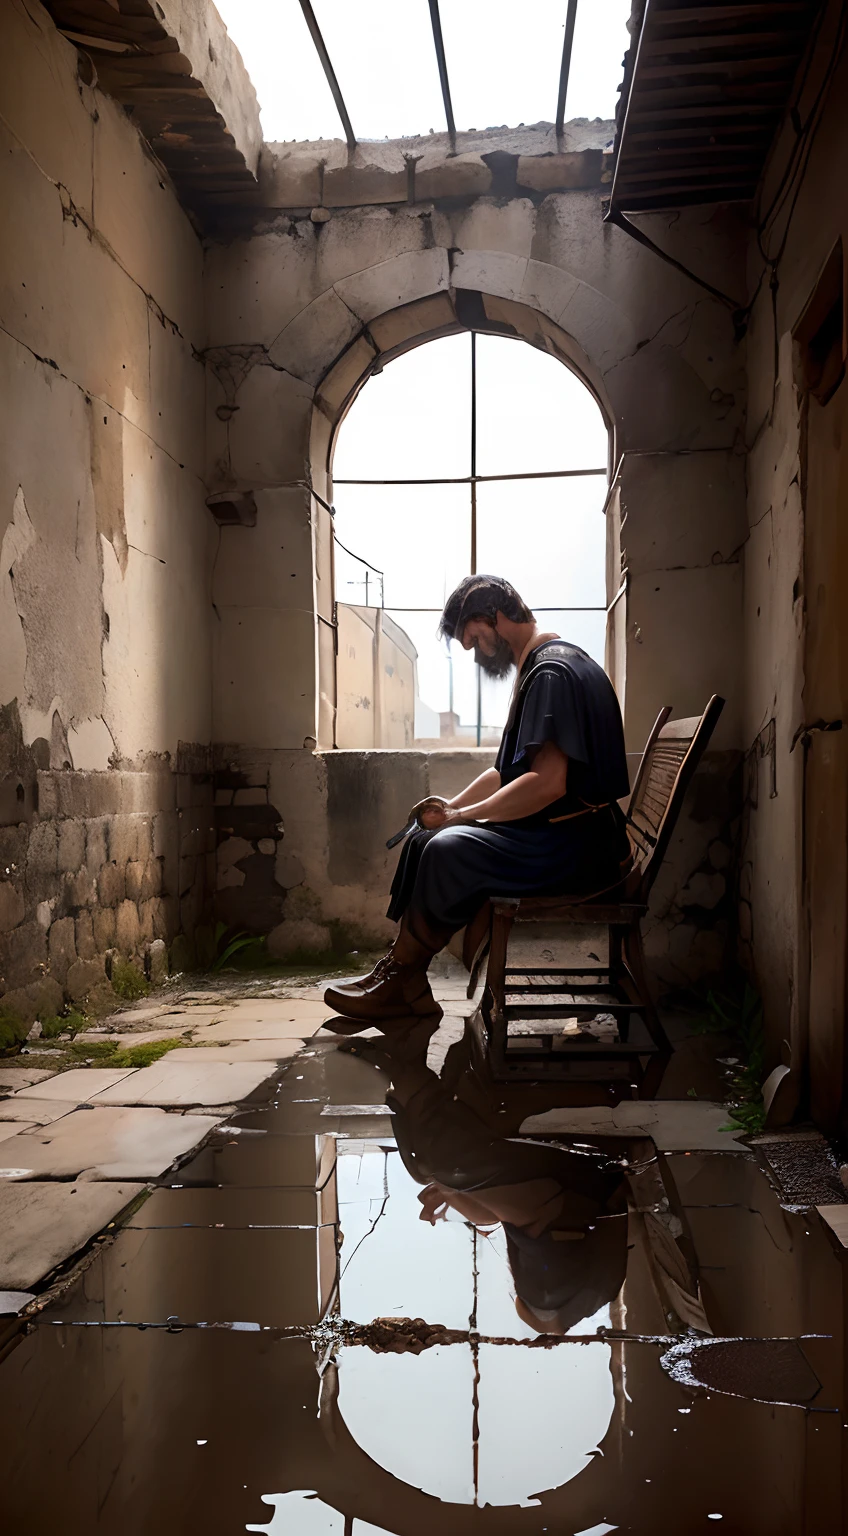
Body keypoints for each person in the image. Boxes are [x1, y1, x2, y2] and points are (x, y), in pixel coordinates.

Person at [325, 574, 632, 1029]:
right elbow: (505, 774)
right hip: (561, 834)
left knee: (449, 850)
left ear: (499, 615)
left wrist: (462, 819)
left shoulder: (552, 673)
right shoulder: (541, 670)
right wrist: (450, 809)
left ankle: (402, 981)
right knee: (427, 840)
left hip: (578, 847)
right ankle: (402, 974)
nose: (472, 649)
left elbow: (546, 785)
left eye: (473, 635)